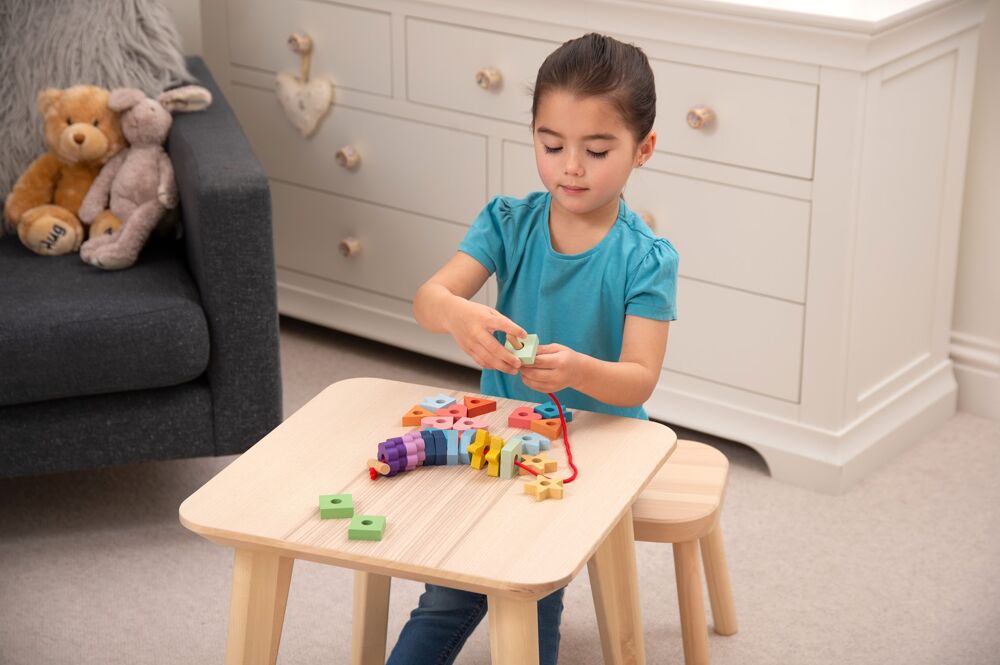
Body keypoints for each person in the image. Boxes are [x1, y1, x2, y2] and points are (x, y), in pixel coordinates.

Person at [387, 32, 679, 665]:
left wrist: (577, 370)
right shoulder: (508, 222)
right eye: (551, 145)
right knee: (448, 579)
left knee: (528, 580)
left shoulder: (647, 260)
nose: (570, 166)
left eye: (597, 150)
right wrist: (457, 314)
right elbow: (428, 298)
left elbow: (639, 380)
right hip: (503, 436)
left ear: (643, 149)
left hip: (599, 447)